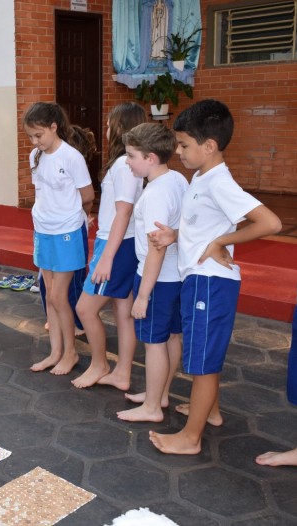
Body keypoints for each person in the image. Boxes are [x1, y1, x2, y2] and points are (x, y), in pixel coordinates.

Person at [149, 99, 282, 455]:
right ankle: (212, 412)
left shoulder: (219, 183)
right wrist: (174, 235)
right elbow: (202, 222)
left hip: (209, 281)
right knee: (204, 355)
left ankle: (190, 439)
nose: (178, 152)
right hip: (200, 279)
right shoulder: (201, 177)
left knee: (203, 366)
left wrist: (222, 240)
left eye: (184, 145)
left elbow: (270, 223)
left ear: (209, 146)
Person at [115, 123, 187, 422]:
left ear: (151, 158)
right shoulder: (178, 179)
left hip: (157, 279)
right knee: (171, 337)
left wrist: (143, 295)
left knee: (154, 342)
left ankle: (152, 408)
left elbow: (157, 247)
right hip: (175, 276)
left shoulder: (156, 193)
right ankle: (160, 394)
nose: (127, 161)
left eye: (131, 156)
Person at [73, 103, 146, 390]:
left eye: (108, 124)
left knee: (85, 309)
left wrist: (106, 259)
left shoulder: (123, 166)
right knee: (122, 312)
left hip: (115, 245)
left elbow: (124, 212)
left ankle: (100, 363)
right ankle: (122, 373)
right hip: (122, 242)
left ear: (118, 128)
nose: (105, 129)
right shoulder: (126, 164)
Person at [24, 102, 95, 375]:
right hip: (43, 230)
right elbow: (42, 193)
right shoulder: (35, 156)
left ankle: (71, 353)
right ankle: (55, 352)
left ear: (54, 127)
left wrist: (78, 217)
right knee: (49, 296)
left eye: (39, 135)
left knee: (58, 296)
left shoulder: (72, 157)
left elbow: (87, 196)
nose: (34, 141)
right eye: (30, 136)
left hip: (66, 231)